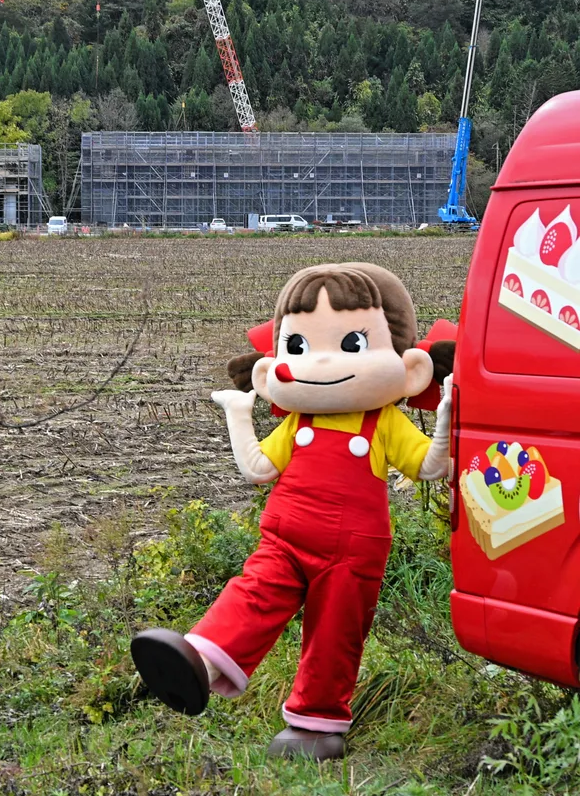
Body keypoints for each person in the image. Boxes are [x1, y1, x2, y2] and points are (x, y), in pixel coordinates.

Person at [130, 263, 455, 760]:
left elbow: (429, 468)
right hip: (284, 538)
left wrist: (446, 418)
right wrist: (238, 416)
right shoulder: (297, 420)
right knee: (252, 594)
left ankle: (316, 725)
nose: (319, 363)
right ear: (271, 365)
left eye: (351, 346)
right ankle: (198, 661)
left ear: (410, 368)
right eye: (298, 348)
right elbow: (259, 468)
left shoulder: (382, 421)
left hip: (351, 553)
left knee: (335, 632)